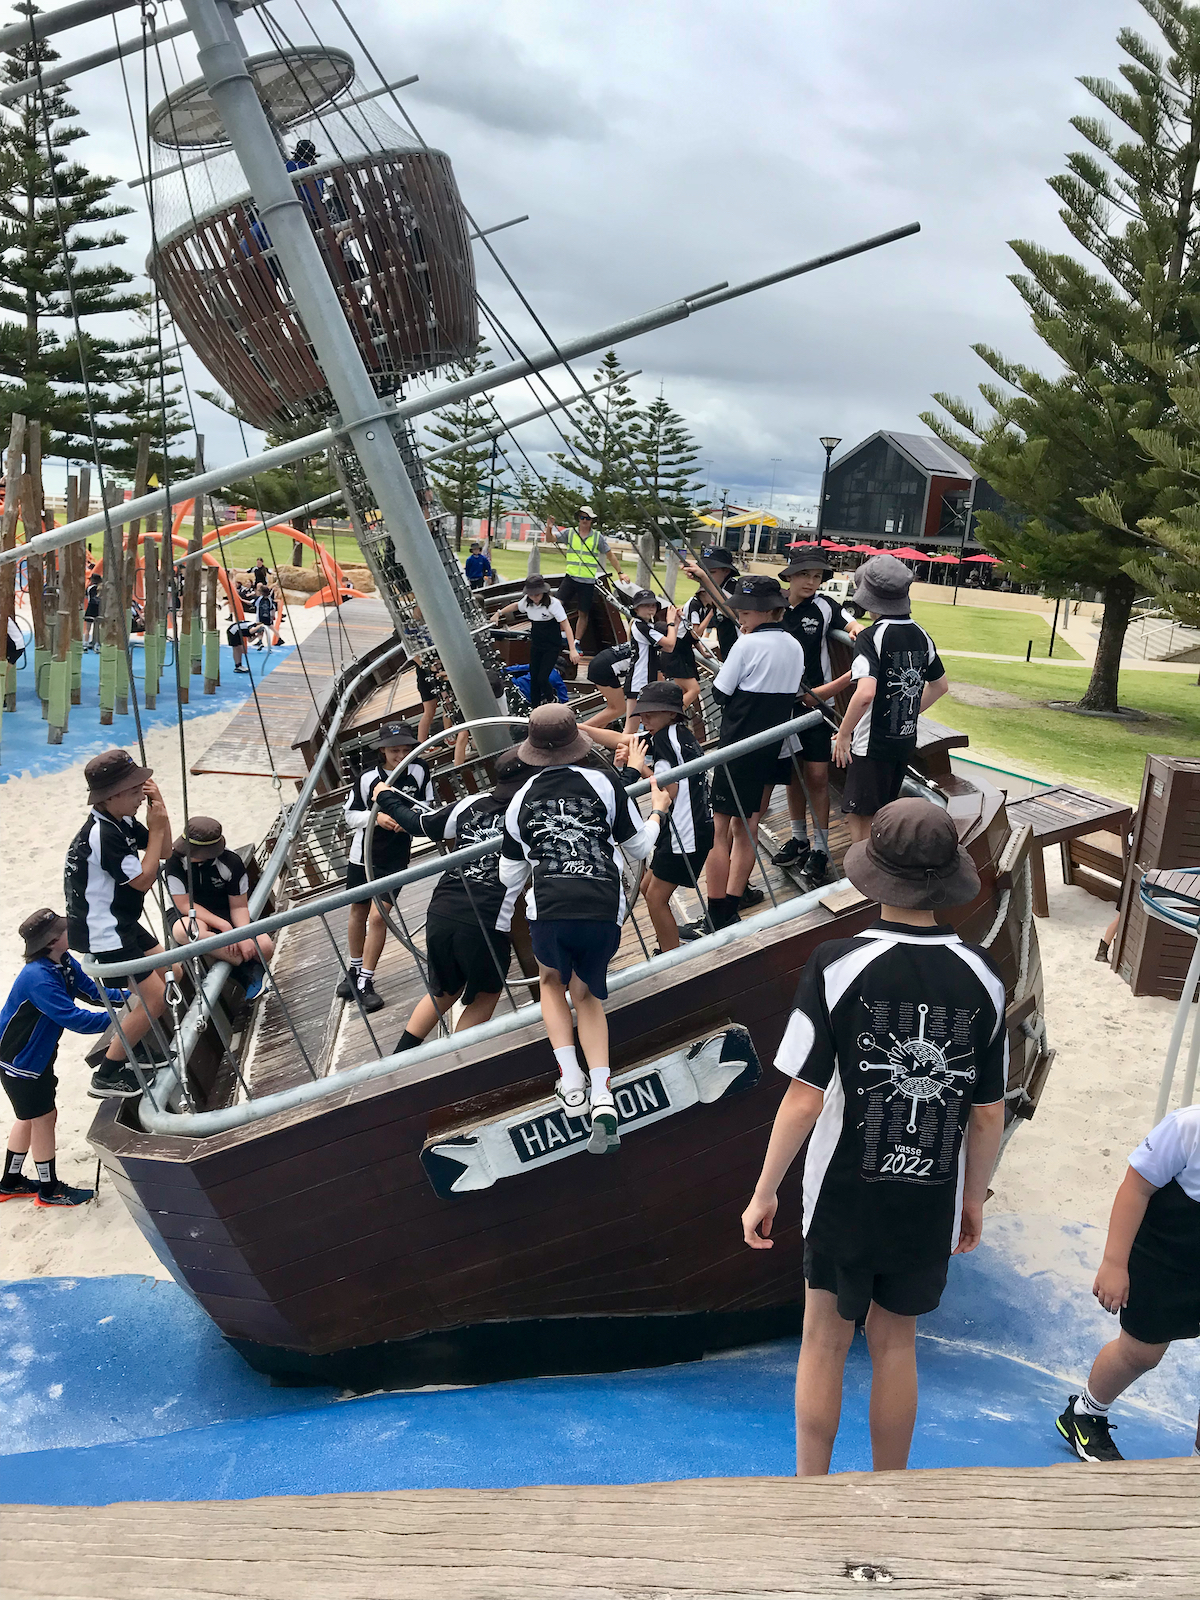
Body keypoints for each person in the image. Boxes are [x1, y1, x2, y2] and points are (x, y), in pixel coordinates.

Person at [741, 799, 1006, 1476]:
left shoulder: (834, 964)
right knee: (897, 1346)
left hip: (843, 1194)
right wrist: (972, 1198)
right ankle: (894, 1493)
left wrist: (764, 1190)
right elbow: (985, 1112)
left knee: (823, 1345)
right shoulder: (984, 977)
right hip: (928, 1194)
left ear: (875, 875)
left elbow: (804, 1098)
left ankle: (811, 1492)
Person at [498, 705, 671, 1153]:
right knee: (587, 994)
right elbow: (637, 846)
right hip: (601, 904)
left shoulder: (520, 799)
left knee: (551, 984)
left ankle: (571, 1082)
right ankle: (602, 1095)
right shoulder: (605, 783)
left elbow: (509, 874)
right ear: (578, 740)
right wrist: (657, 811)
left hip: (550, 907)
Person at [1055, 1105, 1200, 1463]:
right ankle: (1086, 1413)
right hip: (1165, 1256)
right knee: (1141, 1352)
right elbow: (1135, 1188)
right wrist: (1114, 1263)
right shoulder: (1188, 1127)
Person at [385, 750, 532, 1051]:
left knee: (444, 990)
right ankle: (455, 1059)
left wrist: (384, 796)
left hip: (442, 909)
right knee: (487, 994)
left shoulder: (470, 804)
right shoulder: (532, 812)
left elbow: (418, 824)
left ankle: (399, 1058)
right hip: (486, 920)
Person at [63, 749, 173, 1100]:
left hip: (119, 918)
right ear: (112, 796)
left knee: (174, 971)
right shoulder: (102, 835)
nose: (141, 795)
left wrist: (161, 814)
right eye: (135, 790)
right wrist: (155, 833)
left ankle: (135, 1043)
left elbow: (164, 850)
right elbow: (143, 879)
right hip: (103, 929)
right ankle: (107, 1074)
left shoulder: (120, 821)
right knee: (155, 999)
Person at [0, 909, 128, 1208]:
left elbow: (95, 993)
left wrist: (133, 994)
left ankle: (9, 1182)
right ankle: (49, 1189)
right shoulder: (38, 977)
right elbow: (74, 1019)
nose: (72, 931)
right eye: (65, 930)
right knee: (44, 1118)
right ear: (53, 940)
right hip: (21, 1062)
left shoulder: (63, 962)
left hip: (35, 1057)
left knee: (28, 1116)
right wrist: (122, 1021)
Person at [705, 575, 805, 931]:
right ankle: (731, 905)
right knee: (747, 826)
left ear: (764, 612)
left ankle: (715, 912)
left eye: (745, 611)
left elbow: (720, 692)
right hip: (772, 747)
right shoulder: (794, 646)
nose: (741, 617)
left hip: (737, 747)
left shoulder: (745, 646)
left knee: (720, 831)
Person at [834, 555, 948, 843]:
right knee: (884, 813)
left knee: (861, 818)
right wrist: (906, 711)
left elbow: (865, 693)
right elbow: (940, 686)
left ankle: (862, 882)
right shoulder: (922, 635)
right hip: (903, 741)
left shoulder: (871, 637)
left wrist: (843, 734)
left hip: (870, 746)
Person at [767, 549, 854, 888]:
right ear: (789, 576)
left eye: (817, 576)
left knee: (817, 775)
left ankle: (819, 847)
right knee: (792, 774)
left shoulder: (825, 606)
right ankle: (799, 837)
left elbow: (850, 624)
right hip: (780, 704)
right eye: (804, 574)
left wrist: (857, 629)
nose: (811, 581)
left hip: (816, 704)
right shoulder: (773, 606)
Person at [338, 723, 436, 1012]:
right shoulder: (368, 777)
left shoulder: (420, 770)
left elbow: (427, 804)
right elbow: (349, 815)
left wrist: (409, 819)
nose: (400, 755)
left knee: (379, 917)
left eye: (406, 750)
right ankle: (355, 969)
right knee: (358, 910)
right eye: (395, 750)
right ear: (382, 751)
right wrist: (376, 819)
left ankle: (366, 979)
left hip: (396, 855)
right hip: (364, 854)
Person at [624, 680, 713, 954]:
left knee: (655, 897)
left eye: (651, 713)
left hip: (684, 833)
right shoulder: (677, 734)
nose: (644, 719)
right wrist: (580, 730)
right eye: (642, 713)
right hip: (690, 827)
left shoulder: (664, 740)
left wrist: (641, 771)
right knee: (647, 886)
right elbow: (625, 741)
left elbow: (669, 789)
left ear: (671, 713)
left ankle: (671, 955)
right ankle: (669, 946)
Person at [163, 817, 273, 1001]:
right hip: (187, 913)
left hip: (224, 909)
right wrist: (224, 928)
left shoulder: (230, 862)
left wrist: (243, 934)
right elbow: (183, 904)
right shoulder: (173, 864)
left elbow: (238, 906)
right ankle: (244, 970)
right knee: (187, 932)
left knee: (265, 947)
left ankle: (233, 959)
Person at [496, 575, 580, 709]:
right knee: (534, 678)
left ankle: (552, 700)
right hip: (536, 643)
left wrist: (573, 649)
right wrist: (499, 613)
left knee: (542, 677)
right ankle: (535, 708)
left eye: (537, 594)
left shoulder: (553, 604)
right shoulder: (527, 602)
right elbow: (515, 606)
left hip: (551, 645)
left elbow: (566, 626)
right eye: (531, 595)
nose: (534, 598)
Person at [623, 589, 678, 732]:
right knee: (630, 729)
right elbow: (670, 644)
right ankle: (621, 753)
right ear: (636, 609)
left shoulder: (647, 626)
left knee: (647, 725)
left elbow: (668, 648)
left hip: (647, 680)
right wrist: (670, 622)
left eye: (653, 605)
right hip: (638, 681)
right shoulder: (641, 626)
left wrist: (675, 622)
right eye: (646, 605)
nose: (650, 608)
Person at [553, 506, 610, 644]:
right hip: (570, 577)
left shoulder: (597, 537)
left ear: (592, 520)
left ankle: (576, 641)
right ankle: (562, 633)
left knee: (583, 613)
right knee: (556, 604)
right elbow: (551, 539)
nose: (584, 520)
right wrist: (549, 528)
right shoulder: (570, 533)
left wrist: (620, 573)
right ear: (578, 518)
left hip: (588, 581)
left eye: (587, 518)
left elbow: (610, 554)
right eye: (582, 517)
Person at [683, 547, 740, 660]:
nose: (707, 575)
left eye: (712, 572)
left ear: (726, 571)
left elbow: (731, 612)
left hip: (740, 655)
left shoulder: (735, 589)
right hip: (728, 653)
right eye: (704, 571)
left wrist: (705, 579)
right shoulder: (714, 588)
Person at [582, 641, 631, 729]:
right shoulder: (655, 654)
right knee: (618, 709)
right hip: (604, 668)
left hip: (601, 661)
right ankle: (577, 730)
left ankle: (594, 734)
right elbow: (658, 683)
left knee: (612, 710)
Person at [83, 573, 101, 650]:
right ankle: (97, 644)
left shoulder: (89, 588)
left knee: (88, 628)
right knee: (97, 628)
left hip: (90, 607)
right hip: (99, 608)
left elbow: (87, 596)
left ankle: (85, 644)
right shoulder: (101, 588)